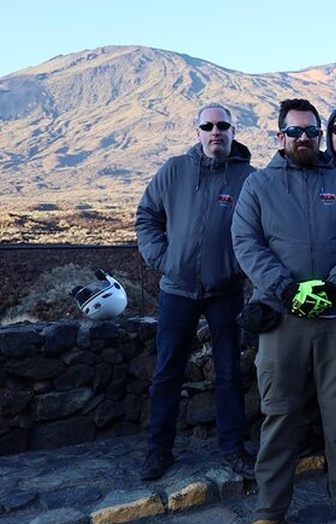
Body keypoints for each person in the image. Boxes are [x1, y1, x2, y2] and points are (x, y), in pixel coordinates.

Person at [231, 98, 336, 524]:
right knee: (279, 415)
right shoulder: (259, 186)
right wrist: (286, 289)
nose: (303, 138)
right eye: (294, 131)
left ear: (320, 136)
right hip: (282, 320)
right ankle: (270, 509)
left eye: (310, 132)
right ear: (280, 136)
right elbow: (246, 242)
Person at [135, 102, 256, 482]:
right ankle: (159, 450)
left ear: (234, 131)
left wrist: (237, 268)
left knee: (228, 373)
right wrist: (164, 259)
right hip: (177, 289)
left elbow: (260, 232)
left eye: (222, 125)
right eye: (208, 125)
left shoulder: (248, 178)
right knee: (167, 371)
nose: (215, 131)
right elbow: (147, 217)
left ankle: (233, 448)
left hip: (225, 292)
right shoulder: (174, 170)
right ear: (198, 130)